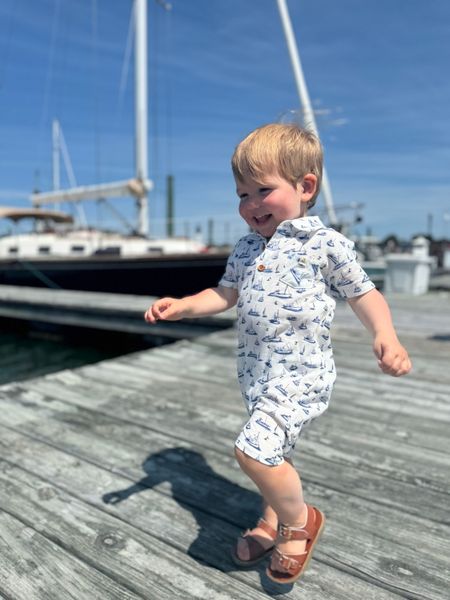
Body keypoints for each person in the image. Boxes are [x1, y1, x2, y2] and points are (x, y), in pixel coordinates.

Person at [144, 123, 411, 585]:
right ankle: (271, 518)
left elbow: (364, 294)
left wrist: (385, 334)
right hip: (256, 374)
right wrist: (185, 306)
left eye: (262, 191)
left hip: (300, 374)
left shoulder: (324, 244)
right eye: (241, 194)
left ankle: (298, 522)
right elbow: (225, 293)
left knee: (253, 450)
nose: (249, 206)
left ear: (305, 187)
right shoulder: (247, 248)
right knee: (277, 451)